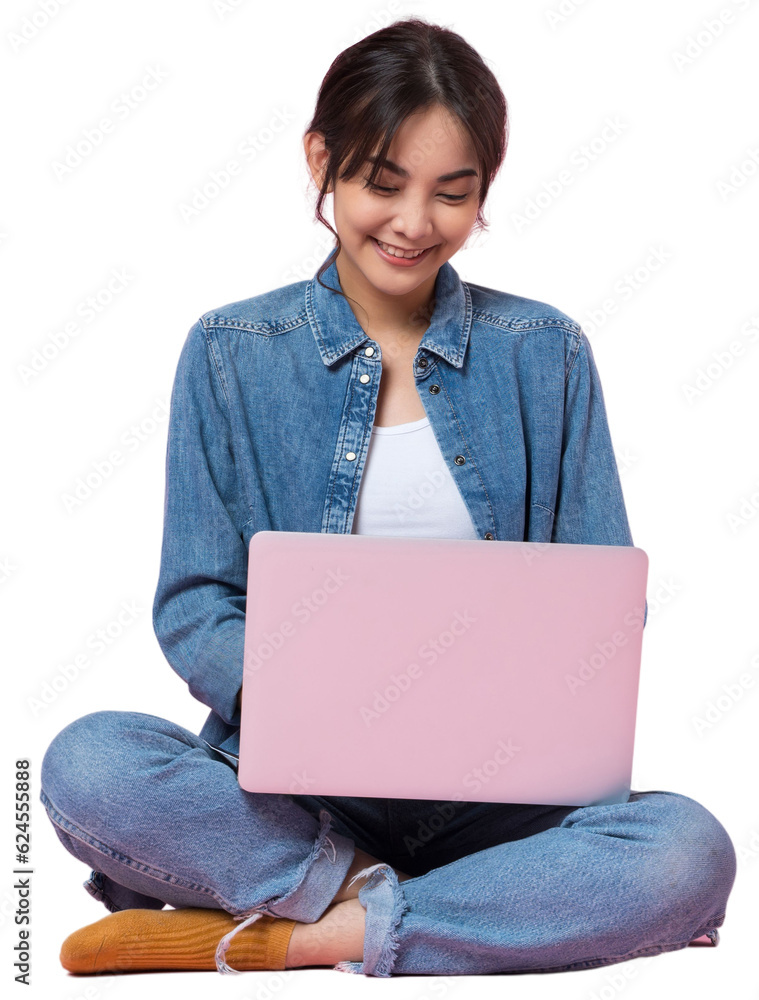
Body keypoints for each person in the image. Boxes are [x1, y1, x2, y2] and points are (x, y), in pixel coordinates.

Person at [39, 16, 737, 978]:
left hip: (504, 804)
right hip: (304, 799)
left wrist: (503, 703)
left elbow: (603, 605)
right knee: (89, 763)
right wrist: (331, 703)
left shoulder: (546, 353)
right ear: (322, 159)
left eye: (452, 195)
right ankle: (405, 901)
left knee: (687, 850)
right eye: (381, 183)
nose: (414, 224)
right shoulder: (231, 352)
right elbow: (196, 606)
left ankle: (304, 932)